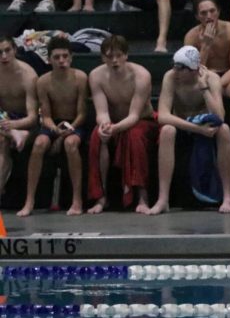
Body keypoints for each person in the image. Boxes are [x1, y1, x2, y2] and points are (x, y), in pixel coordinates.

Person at [148, 46, 230, 215]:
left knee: (224, 129)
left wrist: (204, 88)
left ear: (194, 70)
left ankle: (228, 197)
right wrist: (196, 129)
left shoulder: (212, 79)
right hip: (185, 126)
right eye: (174, 65)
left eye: (181, 68)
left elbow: (219, 116)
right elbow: (163, 116)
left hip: (206, 126)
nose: (176, 71)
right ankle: (163, 199)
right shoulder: (170, 77)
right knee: (167, 131)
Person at [17, 37, 88, 217]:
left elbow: (82, 113)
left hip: (74, 123)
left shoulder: (80, 78)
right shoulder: (43, 81)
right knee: (39, 143)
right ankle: (29, 200)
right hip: (53, 123)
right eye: (57, 57)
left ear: (71, 58)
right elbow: (46, 115)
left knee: (70, 144)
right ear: (49, 59)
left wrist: (65, 133)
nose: (61, 61)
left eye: (65, 56)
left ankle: (77, 199)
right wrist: (55, 130)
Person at [87, 35, 157, 214]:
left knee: (133, 134)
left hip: (142, 121)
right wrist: (105, 126)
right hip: (114, 121)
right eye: (109, 56)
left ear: (126, 55)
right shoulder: (96, 76)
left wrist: (115, 128)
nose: (114, 60)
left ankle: (142, 196)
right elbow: (102, 112)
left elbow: (134, 116)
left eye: (118, 55)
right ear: (103, 57)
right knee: (97, 135)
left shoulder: (141, 75)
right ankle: (101, 198)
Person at [183, 0, 230, 113]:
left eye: (212, 11)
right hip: (204, 77)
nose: (209, 16)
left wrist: (217, 86)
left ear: (219, 12)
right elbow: (193, 71)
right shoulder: (191, 36)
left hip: (228, 78)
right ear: (197, 16)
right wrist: (205, 46)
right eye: (203, 13)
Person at [0, 35, 38, 203]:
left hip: (25, 123)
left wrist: (14, 125)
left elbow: (32, 118)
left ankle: (14, 133)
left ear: (15, 50)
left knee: (2, 140)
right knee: (2, 140)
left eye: (7, 50)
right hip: (4, 120)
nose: (3, 56)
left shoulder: (28, 75)